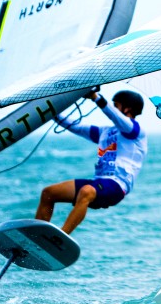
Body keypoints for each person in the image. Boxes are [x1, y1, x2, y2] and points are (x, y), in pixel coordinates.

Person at [35, 89, 148, 235]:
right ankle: (36, 237)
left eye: (116, 105)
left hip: (117, 186)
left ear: (128, 109)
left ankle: (60, 238)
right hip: (99, 183)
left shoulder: (135, 131)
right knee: (49, 193)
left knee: (86, 191)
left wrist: (95, 97)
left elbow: (115, 117)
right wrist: (49, 111)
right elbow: (74, 126)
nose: (113, 108)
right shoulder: (105, 132)